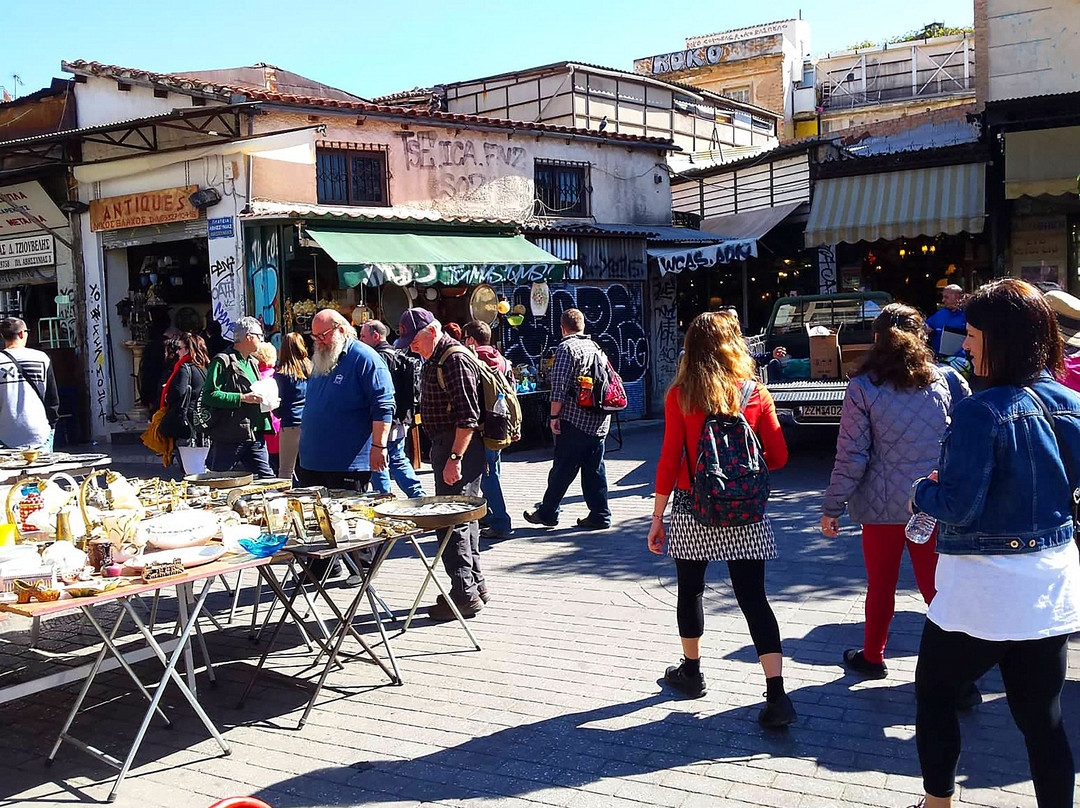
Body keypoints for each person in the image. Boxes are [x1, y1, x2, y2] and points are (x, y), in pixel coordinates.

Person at [911, 279, 1080, 808]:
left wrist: (921, 494)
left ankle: (939, 802)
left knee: (935, 693)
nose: (965, 345)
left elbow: (958, 506)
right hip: (1049, 582)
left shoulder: (979, 411)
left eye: (974, 334)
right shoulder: (1071, 403)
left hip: (980, 588)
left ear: (999, 339)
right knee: (1042, 719)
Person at [647, 310, 795, 728]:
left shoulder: (680, 395)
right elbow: (780, 457)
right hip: (746, 513)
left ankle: (691, 672)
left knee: (690, 590)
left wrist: (658, 518)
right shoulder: (754, 392)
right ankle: (777, 694)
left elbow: (669, 458)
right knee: (754, 599)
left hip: (694, 509)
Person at [821, 304, 971, 683]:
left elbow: (852, 455)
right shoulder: (948, 380)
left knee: (881, 585)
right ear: (923, 336)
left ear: (875, 338)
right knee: (936, 588)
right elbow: (968, 441)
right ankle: (959, 672)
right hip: (934, 502)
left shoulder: (862, 387)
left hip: (881, 506)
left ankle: (873, 657)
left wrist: (832, 506)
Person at [398, 307, 487, 618]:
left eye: (414, 340)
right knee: (463, 518)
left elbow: (468, 417)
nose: (411, 346)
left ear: (432, 332)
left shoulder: (454, 359)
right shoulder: (439, 356)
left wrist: (454, 458)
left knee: (453, 523)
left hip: (456, 447)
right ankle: (474, 585)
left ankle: (463, 593)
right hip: (449, 445)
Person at [523, 309, 611, 530]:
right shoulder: (595, 347)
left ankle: (548, 512)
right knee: (594, 469)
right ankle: (600, 514)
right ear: (583, 326)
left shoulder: (566, 348)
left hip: (575, 419)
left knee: (562, 468)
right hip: (599, 419)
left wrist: (553, 416)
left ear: (562, 328)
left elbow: (559, 386)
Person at [297, 309, 393, 494]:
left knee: (345, 520)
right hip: (312, 462)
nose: (318, 341)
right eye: (314, 336)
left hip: (346, 465)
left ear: (341, 330)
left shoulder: (364, 357)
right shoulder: (321, 359)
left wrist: (379, 446)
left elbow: (383, 405)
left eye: (322, 335)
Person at [359, 320, 425, 499]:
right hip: (401, 419)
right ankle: (418, 495)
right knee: (397, 458)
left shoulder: (377, 359)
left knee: (378, 461)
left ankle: (384, 498)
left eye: (363, 336)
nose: (360, 340)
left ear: (375, 336)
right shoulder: (397, 354)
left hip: (384, 420)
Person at [201, 316, 274, 478]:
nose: (262, 340)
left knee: (267, 479)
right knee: (218, 480)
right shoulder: (223, 361)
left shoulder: (253, 362)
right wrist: (241, 397)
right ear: (249, 337)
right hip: (231, 435)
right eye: (260, 336)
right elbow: (209, 395)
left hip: (255, 432)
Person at [463, 319, 514, 539]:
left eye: (465, 338)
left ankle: (501, 521)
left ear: (472, 340)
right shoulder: (500, 359)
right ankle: (491, 513)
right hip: (500, 423)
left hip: (483, 425)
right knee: (494, 469)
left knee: (487, 474)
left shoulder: (472, 359)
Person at [0, 317, 59, 450]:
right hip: (39, 433)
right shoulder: (42, 358)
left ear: (3, 335)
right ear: (22, 333)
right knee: (41, 470)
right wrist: (52, 427)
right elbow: (52, 399)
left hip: (5, 436)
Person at [159, 332, 210, 474]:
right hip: (200, 421)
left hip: (185, 421)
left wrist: (168, 395)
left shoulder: (184, 368)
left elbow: (179, 392)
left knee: (188, 464)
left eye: (180, 348)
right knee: (198, 463)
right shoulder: (204, 368)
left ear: (188, 349)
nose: (177, 352)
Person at [274, 333, 309, 483]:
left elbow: (277, 405)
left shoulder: (281, 374)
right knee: (309, 467)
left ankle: (283, 502)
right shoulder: (311, 368)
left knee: (286, 470)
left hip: (290, 423)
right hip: (310, 421)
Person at [253, 341, 281, 474]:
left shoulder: (260, 378)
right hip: (279, 425)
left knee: (271, 466)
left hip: (267, 426)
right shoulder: (276, 374)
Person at [925, 284, 966, 356]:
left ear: (957, 297)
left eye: (946, 297)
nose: (943, 300)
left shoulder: (968, 315)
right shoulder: (940, 314)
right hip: (939, 360)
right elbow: (927, 325)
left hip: (961, 361)